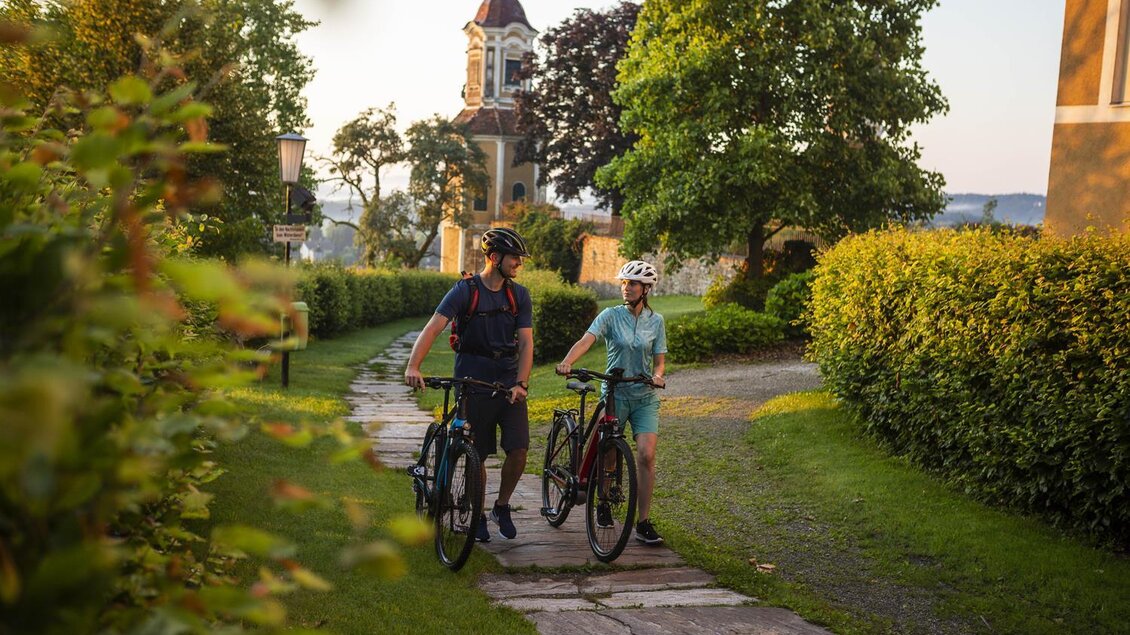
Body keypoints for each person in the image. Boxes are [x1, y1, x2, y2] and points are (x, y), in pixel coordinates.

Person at [404, 227, 533, 543]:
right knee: (477, 453)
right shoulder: (465, 290)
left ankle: (501, 506)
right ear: (494, 257)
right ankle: (477, 514)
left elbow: (527, 344)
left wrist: (522, 383)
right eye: (513, 257)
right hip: (471, 380)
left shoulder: (519, 296)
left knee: (519, 450)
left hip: (507, 383)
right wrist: (413, 365)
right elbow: (434, 327)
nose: (518, 263)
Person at [555, 260, 668, 545]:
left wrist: (657, 376)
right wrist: (568, 361)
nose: (625, 288)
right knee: (607, 452)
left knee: (646, 455)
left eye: (632, 284)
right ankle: (602, 502)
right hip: (615, 393)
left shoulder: (657, 322)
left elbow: (660, 361)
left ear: (646, 289)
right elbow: (587, 339)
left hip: (644, 397)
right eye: (624, 283)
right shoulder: (610, 315)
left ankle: (643, 523)